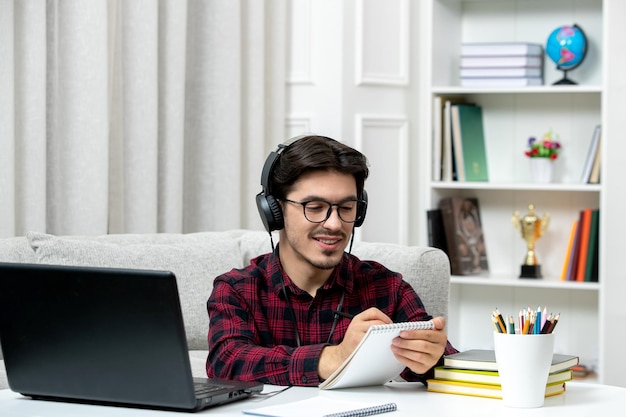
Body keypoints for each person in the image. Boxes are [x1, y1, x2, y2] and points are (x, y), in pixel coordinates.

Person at [206, 135, 457, 387]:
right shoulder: (237, 289)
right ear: (274, 210)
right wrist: (333, 357)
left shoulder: (387, 287)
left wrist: (432, 361)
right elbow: (226, 363)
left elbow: (450, 367)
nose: (334, 224)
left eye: (347, 208)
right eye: (314, 207)